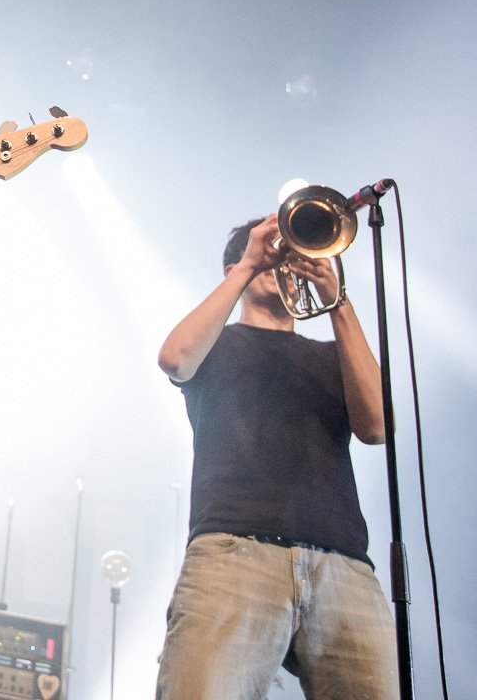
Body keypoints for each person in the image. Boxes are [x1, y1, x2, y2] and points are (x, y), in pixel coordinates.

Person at [153, 214, 396, 699]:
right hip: (233, 553)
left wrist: (338, 302)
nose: (284, 261)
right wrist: (250, 263)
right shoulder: (215, 345)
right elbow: (175, 358)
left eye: (292, 254)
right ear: (233, 270)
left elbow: (378, 427)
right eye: (273, 251)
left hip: (344, 567)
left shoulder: (333, 356)